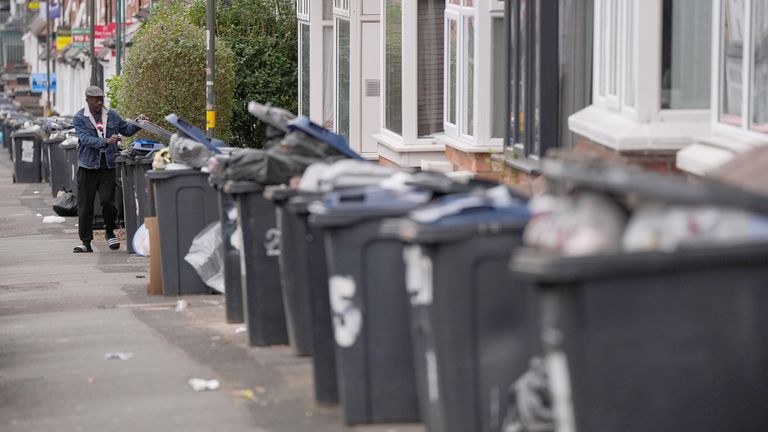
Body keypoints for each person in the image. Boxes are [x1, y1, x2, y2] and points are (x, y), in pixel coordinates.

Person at [72, 86, 148, 253]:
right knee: (85, 205)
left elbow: (126, 130)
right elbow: (85, 139)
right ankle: (85, 242)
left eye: (101, 99)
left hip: (107, 165)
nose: (99, 102)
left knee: (108, 201)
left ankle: (109, 231)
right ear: (87, 101)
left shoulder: (111, 115)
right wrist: (106, 141)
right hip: (88, 166)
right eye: (95, 100)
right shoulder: (79, 117)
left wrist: (138, 122)